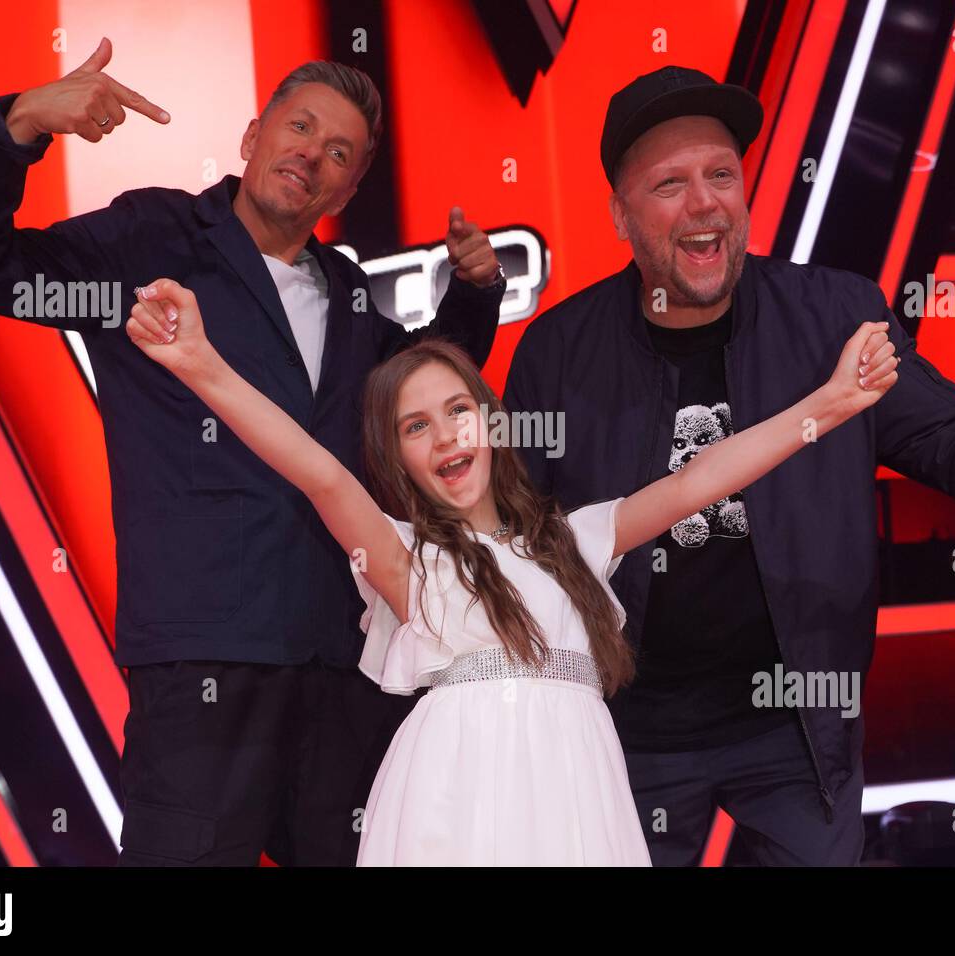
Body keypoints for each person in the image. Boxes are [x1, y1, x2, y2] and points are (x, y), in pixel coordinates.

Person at [501, 66, 955, 866]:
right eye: (669, 183)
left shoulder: (837, 316)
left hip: (798, 725)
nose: (704, 203)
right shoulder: (558, 351)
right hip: (625, 728)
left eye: (722, 175)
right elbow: (512, 544)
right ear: (621, 216)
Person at [0, 38, 507, 866]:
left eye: (339, 152)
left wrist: (476, 295)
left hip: (345, 665)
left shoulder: (346, 290)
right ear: (252, 134)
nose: (312, 155)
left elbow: (414, 393)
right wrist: (18, 126)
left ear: (352, 186)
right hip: (203, 665)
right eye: (299, 127)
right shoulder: (152, 240)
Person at [122, 274, 900, 865]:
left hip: (580, 791)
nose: (445, 437)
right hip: (453, 796)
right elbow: (317, 471)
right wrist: (198, 364)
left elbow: (701, 478)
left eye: (458, 412)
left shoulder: (579, 541)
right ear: (398, 459)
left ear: (491, 421)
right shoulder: (406, 561)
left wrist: (831, 405)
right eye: (415, 427)